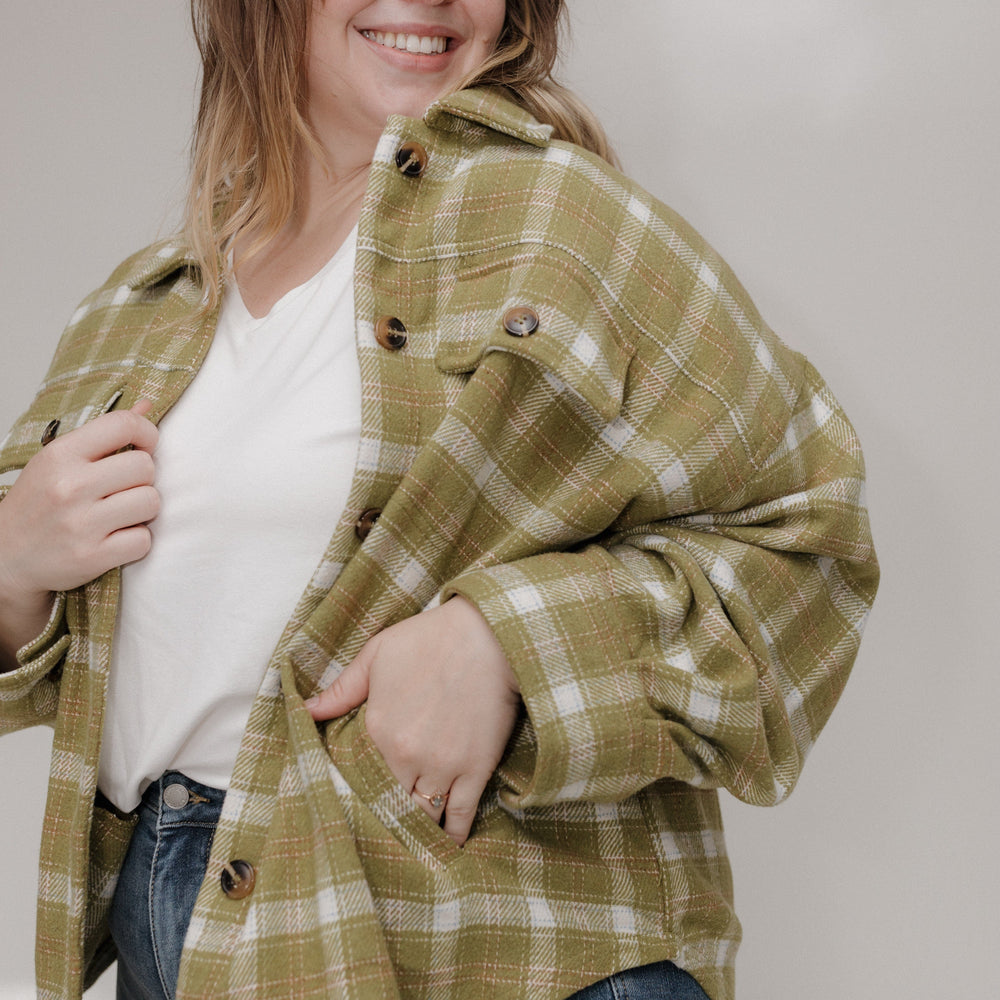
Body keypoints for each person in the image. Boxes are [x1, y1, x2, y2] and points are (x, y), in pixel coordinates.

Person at [0, 1, 879, 998]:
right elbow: (64, 668)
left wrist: (509, 642)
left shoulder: (565, 223)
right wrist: (11, 560)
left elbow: (808, 536)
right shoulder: (140, 309)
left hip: (492, 941)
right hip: (174, 927)